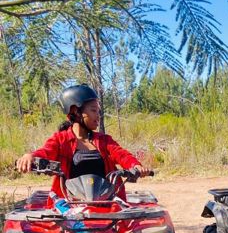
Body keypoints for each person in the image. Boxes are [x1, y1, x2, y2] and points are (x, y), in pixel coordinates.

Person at [16, 84, 150, 198]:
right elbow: (46, 151)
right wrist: (31, 156)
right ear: (75, 111)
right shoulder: (61, 139)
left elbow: (121, 154)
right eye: (93, 110)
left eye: (99, 111)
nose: (98, 115)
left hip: (107, 202)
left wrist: (135, 165)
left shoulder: (104, 140)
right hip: (70, 206)